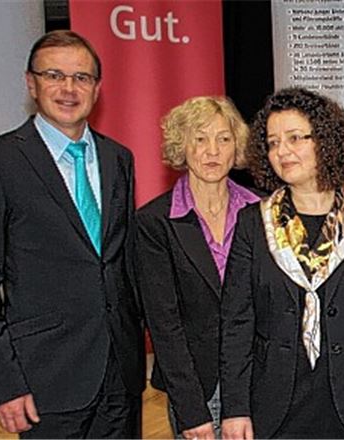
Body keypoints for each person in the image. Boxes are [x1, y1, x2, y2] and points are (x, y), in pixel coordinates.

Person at [0, 30, 144, 438]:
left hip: (120, 375)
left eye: (82, 77)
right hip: (45, 381)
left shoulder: (119, 159)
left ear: (97, 87)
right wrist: (3, 382)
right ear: (31, 83)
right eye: (54, 75)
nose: (68, 88)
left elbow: (120, 264)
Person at [219, 87, 344, 440]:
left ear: (324, 140)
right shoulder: (254, 223)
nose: (282, 151)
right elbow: (236, 324)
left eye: (294, 138)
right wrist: (235, 408)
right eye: (273, 142)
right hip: (274, 405)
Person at [135, 96, 259, 440]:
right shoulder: (155, 222)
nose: (212, 151)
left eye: (223, 139)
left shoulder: (262, 211)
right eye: (199, 139)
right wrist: (191, 410)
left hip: (260, 382)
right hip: (199, 390)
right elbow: (164, 325)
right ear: (182, 146)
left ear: (237, 146)